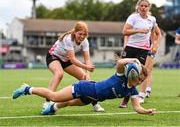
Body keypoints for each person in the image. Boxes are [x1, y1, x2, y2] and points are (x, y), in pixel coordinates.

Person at [12, 58, 156, 116]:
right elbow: (119, 63)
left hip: (91, 97)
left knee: (67, 103)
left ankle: (51, 109)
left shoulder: (132, 90)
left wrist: (146, 111)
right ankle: (27, 89)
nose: (139, 81)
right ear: (134, 74)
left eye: (142, 80)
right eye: (139, 78)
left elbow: (137, 107)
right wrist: (134, 60)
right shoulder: (121, 76)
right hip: (85, 88)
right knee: (54, 96)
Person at [44, 21, 104, 112]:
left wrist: (87, 72)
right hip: (54, 56)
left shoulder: (85, 41)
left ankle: (95, 103)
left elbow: (87, 59)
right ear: (75, 32)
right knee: (59, 74)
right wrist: (87, 67)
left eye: (84, 34)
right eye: (80, 34)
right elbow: (72, 59)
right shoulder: (68, 39)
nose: (82, 36)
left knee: (84, 77)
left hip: (66, 59)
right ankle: (47, 102)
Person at [119, 0, 161, 108]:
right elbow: (124, 31)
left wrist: (154, 44)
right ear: (138, 7)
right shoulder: (133, 17)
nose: (143, 8)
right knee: (122, 72)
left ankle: (126, 99)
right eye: (141, 6)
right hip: (131, 47)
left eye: (145, 6)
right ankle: (118, 91)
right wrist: (138, 30)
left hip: (143, 50)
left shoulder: (152, 19)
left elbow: (155, 33)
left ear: (148, 8)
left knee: (136, 74)